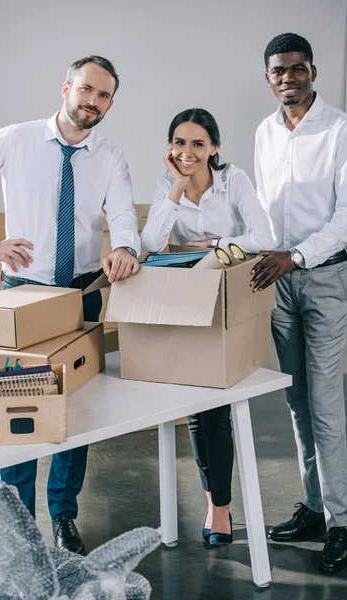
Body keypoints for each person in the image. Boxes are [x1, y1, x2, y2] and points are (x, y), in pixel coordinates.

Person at [0, 55, 141, 555]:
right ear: (66, 87)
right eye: (86, 90)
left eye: (103, 96)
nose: (92, 102)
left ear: (110, 103)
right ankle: (17, 519)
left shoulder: (109, 154)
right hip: (23, 293)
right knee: (18, 407)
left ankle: (64, 514)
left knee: (75, 408)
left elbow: (121, 211)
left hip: (79, 293)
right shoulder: (17, 139)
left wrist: (124, 246)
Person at [141, 108, 274, 544]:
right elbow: (151, 244)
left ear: (214, 147)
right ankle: (215, 503)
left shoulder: (233, 180)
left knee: (216, 412)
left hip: (229, 304)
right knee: (198, 413)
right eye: (179, 143)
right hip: (187, 304)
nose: (188, 152)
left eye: (198, 143)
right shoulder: (169, 185)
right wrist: (177, 187)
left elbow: (263, 237)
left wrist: (212, 247)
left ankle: (220, 508)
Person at [251, 33, 347, 573]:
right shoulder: (266, 131)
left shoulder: (339, 130)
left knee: (327, 405)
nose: (287, 77)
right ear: (268, 78)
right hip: (275, 281)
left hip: (325, 279)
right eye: (277, 71)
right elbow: (264, 207)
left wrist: (296, 257)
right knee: (297, 402)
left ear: (312, 71)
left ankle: (343, 521)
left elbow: (345, 217)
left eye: (296, 68)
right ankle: (314, 508)